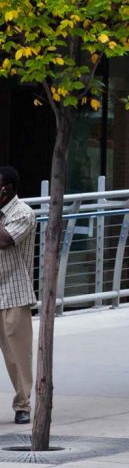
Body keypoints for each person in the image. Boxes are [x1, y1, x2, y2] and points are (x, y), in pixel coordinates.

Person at [0, 166, 32, 425]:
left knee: (16, 356)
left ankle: (23, 405)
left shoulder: (23, 213)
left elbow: (5, 239)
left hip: (13, 292)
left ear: (7, 188)